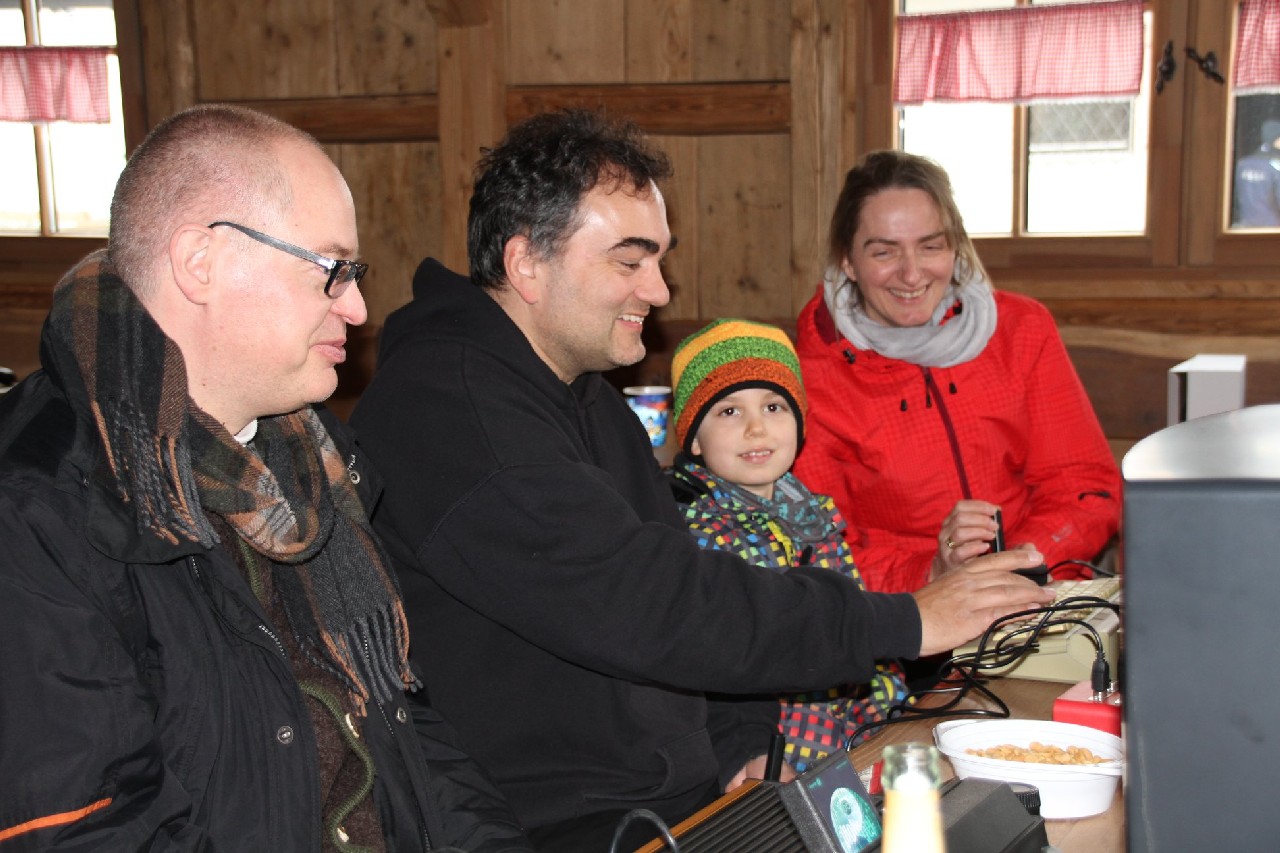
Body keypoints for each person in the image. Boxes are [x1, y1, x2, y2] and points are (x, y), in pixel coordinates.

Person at [350, 108, 1053, 852]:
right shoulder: (451, 410)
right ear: (526, 263)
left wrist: (739, 746)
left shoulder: (581, 390)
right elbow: (645, 601)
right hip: (562, 827)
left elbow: (686, 586)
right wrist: (903, 620)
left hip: (681, 796)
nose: (658, 290)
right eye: (630, 261)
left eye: (659, 259)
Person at [0, 104, 531, 851]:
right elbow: (89, 834)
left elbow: (408, 735)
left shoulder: (311, 460)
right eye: (332, 270)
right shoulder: (38, 510)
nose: (358, 307)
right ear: (202, 262)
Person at [792, 149, 1122, 595]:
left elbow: (1085, 487)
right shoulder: (810, 377)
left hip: (1039, 586)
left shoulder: (1021, 329)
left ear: (955, 248)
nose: (912, 275)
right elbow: (819, 546)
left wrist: (1020, 560)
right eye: (884, 252)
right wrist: (933, 572)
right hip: (907, 610)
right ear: (848, 261)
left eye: (931, 247)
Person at [666, 318, 909, 772]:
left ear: (799, 423)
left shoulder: (816, 516)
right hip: (774, 754)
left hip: (855, 736)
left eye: (774, 407)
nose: (756, 429)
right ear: (694, 438)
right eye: (729, 412)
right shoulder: (696, 537)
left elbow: (859, 626)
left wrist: (890, 713)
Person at [1233, 119, 1280, 227]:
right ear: (1275, 139)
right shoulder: (1276, 166)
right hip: (1272, 229)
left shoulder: (1243, 164)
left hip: (1245, 227)